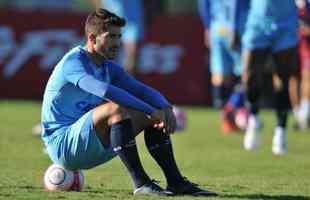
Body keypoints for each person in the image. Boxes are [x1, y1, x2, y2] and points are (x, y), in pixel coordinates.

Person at [40, 8, 217, 197]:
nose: (117, 43)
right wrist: (149, 110)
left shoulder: (109, 67)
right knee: (116, 108)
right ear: (92, 38)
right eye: (111, 36)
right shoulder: (73, 62)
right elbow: (105, 91)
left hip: (94, 142)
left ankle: (176, 182)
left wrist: (165, 107)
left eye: (119, 36)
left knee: (155, 113)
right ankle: (141, 183)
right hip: (62, 146)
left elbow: (141, 90)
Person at [242, 0, 299, 155]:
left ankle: (281, 130)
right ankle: (254, 118)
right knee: (249, 74)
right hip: (257, 22)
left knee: (282, 78)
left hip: (285, 22)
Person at [198, 0, 249, 132]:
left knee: (220, 75)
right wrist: (235, 27)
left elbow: (204, 4)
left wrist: (208, 27)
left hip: (217, 28)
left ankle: (227, 115)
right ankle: (231, 109)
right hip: (238, 29)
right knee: (246, 72)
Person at [88, 0, 144, 75]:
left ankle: (125, 84)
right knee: (107, 57)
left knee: (133, 55)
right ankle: (106, 83)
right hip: (110, 15)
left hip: (132, 17)